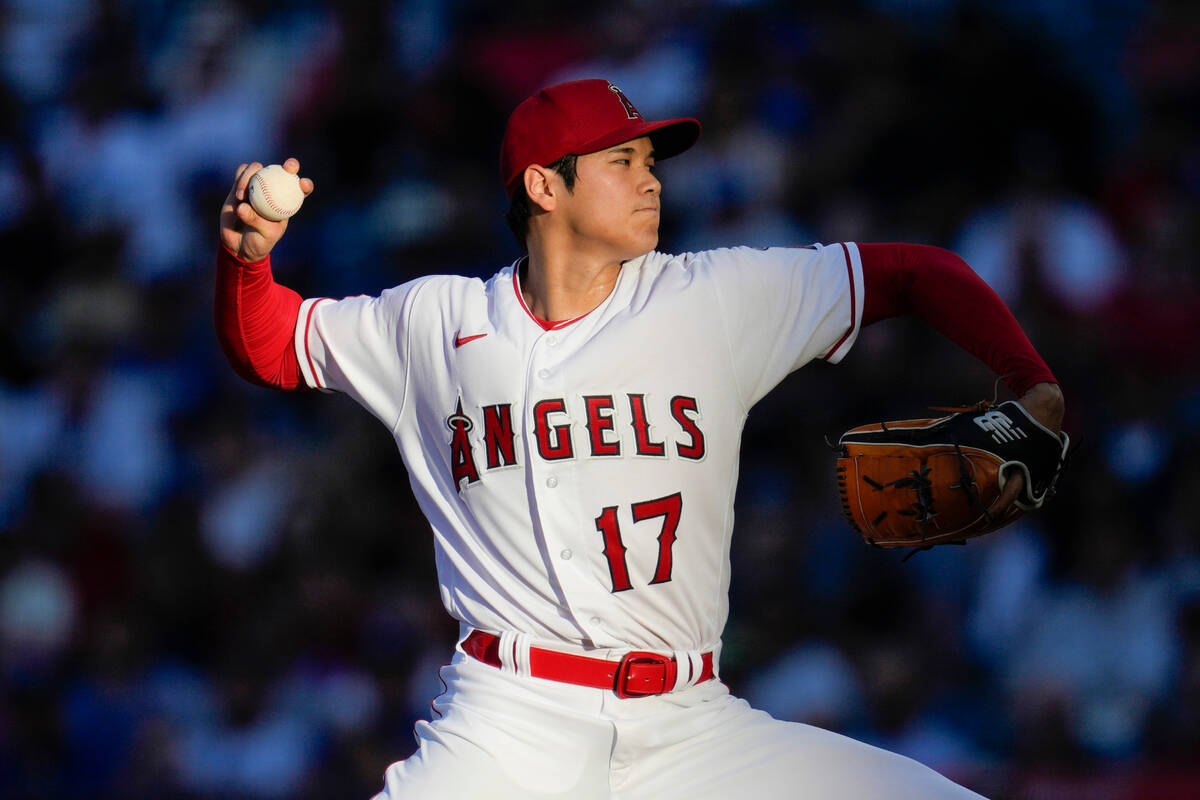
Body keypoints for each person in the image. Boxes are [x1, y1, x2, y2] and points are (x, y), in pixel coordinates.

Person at [215, 79, 1064, 799]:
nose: (649, 180)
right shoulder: (435, 322)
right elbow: (269, 344)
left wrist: (1030, 381)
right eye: (622, 162)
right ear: (545, 187)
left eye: (650, 162)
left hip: (693, 725)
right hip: (509, 723)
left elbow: (912, 272)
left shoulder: (712, 299)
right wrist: (247, 262)